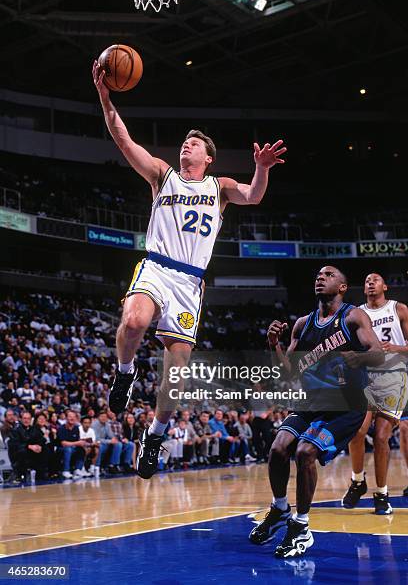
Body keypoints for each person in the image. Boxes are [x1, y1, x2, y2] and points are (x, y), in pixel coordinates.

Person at [92, 60, 286, 479]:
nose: (186, 147)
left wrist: (263, 168)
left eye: (194, 145)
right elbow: (125, 142)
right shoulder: (163, 176)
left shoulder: (220, 188)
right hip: (157, 266)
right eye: (184, 143)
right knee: (134, 321)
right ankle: (125, 374)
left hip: (189, 282)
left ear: (208, 158)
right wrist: (106, 99)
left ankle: (155, 436)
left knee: (176, 377)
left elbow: (253, 195)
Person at [249, 266, 384, 558]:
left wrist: (359, 359)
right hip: (311, 402)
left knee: (305, 452)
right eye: (318, 275)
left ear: (343, 286)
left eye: (329, 275)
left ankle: (301, 526)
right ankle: (281, 508)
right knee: (278, 448)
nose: (320, 277)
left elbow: (378, 352)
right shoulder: (303, 324)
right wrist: (274, 345)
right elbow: (288, 372)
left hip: (347, 406)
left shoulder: (352, 317)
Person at [342, 273, 408, 513]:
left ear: (385, 286)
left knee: (381, 437)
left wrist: (396, 348)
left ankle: (381, 494)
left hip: (394, 377)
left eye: (375, 279)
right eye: (367, 280)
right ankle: (357, 481)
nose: (370, 282)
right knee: (356, 431)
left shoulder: (399, 309)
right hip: (365, 378)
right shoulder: (356, 314)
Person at [8, 412, 47, 482]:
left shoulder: (34, 429)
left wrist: (39, 446)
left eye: (28, 419)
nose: (26, 420)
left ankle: (43, 475)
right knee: (23, 451)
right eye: (24, 418)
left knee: (46, 450)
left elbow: (41, 439)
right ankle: (20, 475)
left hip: (33, 454)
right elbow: (15, 445)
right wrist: (29, 446)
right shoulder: (15, 430)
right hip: (18, 455)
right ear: (21, 419)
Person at [57, 410, 87, 479]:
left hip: (73, 447)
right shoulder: (61, 428)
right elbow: (63, 443)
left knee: (81, 448)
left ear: (76, 419)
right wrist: (77, 443)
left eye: (74, 417)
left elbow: (77, 440)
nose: (72, 418)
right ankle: (65, 471)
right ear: (66, 418)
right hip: (61, 449)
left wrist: (82, 443)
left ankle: (78, 469)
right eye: (70, 416)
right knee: (68, 449)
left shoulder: (76, 428)